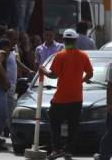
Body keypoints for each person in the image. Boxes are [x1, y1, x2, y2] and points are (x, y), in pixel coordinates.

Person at [40, 29, 93, 160]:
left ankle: (56, 150)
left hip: (61, 98)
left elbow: (53, 75)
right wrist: (80, 81)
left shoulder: (60, 55)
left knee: (55, 124)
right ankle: (68, 151)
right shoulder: (83, 55)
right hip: (76, 98)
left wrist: (43, 69)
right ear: (75, 41)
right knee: (73, 126)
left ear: (63, 40)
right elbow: (90, 73)